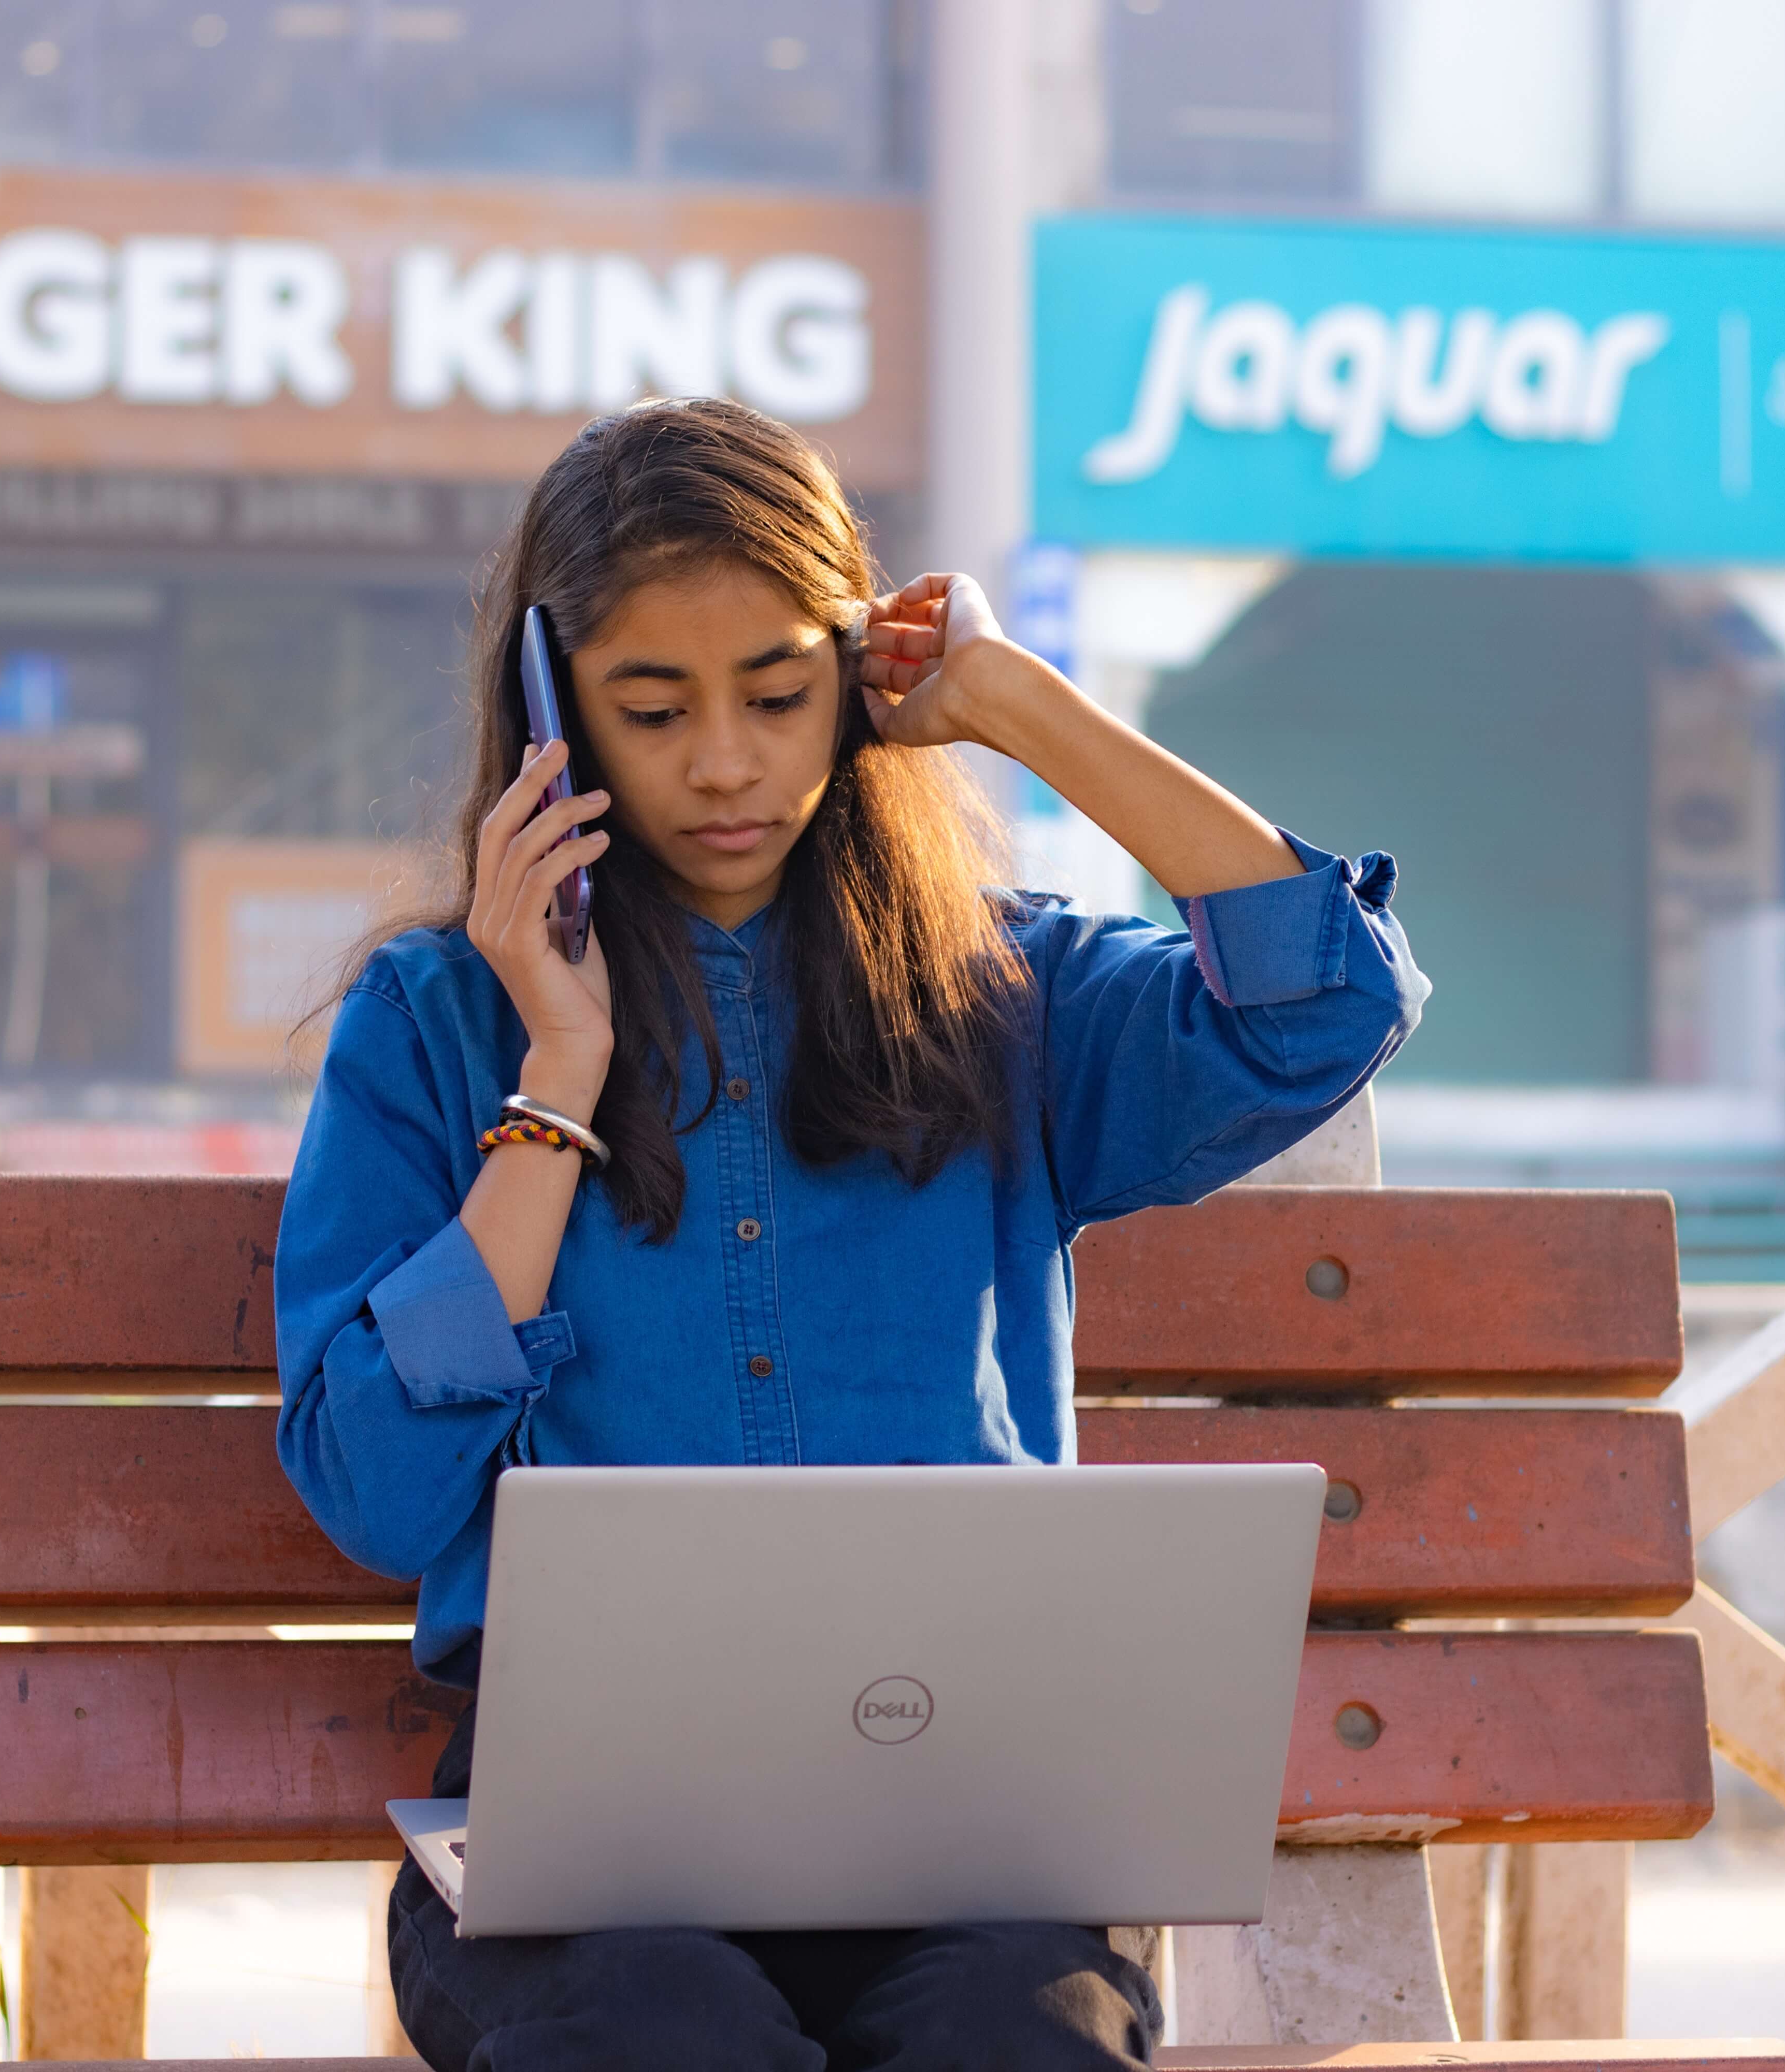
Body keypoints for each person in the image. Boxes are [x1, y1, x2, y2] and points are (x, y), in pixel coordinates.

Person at [274, 397, 1425, 2071]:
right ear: (553, 714)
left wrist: (1019, 705)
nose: (725, 762)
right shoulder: (437, 1023)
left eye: (777, 692)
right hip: (581, 1885)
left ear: (857, 678)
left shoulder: (1008, 995)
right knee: (674, 2035)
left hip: (968, 1848)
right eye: (652, 709)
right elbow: (377, 1492)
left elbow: (1325, 1006)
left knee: (1008, 2038)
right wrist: (561, 1075)